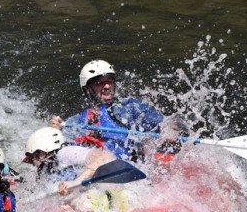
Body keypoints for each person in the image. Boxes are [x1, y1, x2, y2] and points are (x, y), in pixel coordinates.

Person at [49, 59, 186, 161]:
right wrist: (54, 130)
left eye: (110, 81)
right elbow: (60, 147)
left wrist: (171, 128)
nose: (107, 86)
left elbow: (173, 121)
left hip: (133, 167)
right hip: (100, 168)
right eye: (100, 82)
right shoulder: (77, 120)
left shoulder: (131, 107)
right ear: (87, 89)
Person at [23, 127, 136, 212]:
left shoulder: (65, 152)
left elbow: (104, 157)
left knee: (76, 203)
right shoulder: (45, 169)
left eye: (33, 157)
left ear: (43, 153)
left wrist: (75, 182)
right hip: (93, 204)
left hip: (108, 198)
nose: (32, 162)